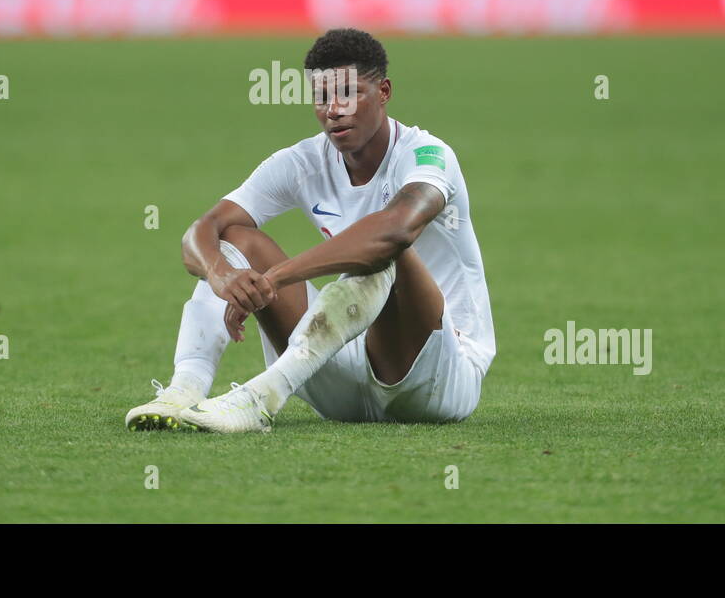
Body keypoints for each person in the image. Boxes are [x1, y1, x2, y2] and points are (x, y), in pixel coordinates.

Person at [125, 28, 494, 433]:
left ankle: (259, 398)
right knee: (237, 238)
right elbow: (203, 230)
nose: (333, 109)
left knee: (385, 253)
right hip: (342, 377)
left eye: (348, 93)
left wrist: (275, 278)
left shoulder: (428, 155)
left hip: (437, 380)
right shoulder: (302, 162)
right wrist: (221, 274)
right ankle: (183, 391)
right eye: (320, 97)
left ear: (384, 91)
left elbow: (395, 231)